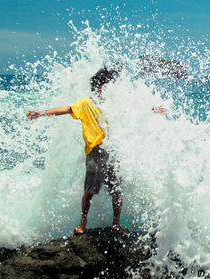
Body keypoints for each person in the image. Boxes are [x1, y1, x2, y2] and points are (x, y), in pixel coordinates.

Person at [26, 67, 167, 235]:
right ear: (98, 86)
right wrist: (41, 113)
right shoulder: (86, 104)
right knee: (90, 191)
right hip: (96, 152)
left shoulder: (114, 105)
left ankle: (116, 223)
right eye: (107, 85)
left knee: (117, 191)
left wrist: (153, 109)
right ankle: (82, 223)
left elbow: (134, 111)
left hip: (113, 151)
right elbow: (66, 110)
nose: (110, 89)